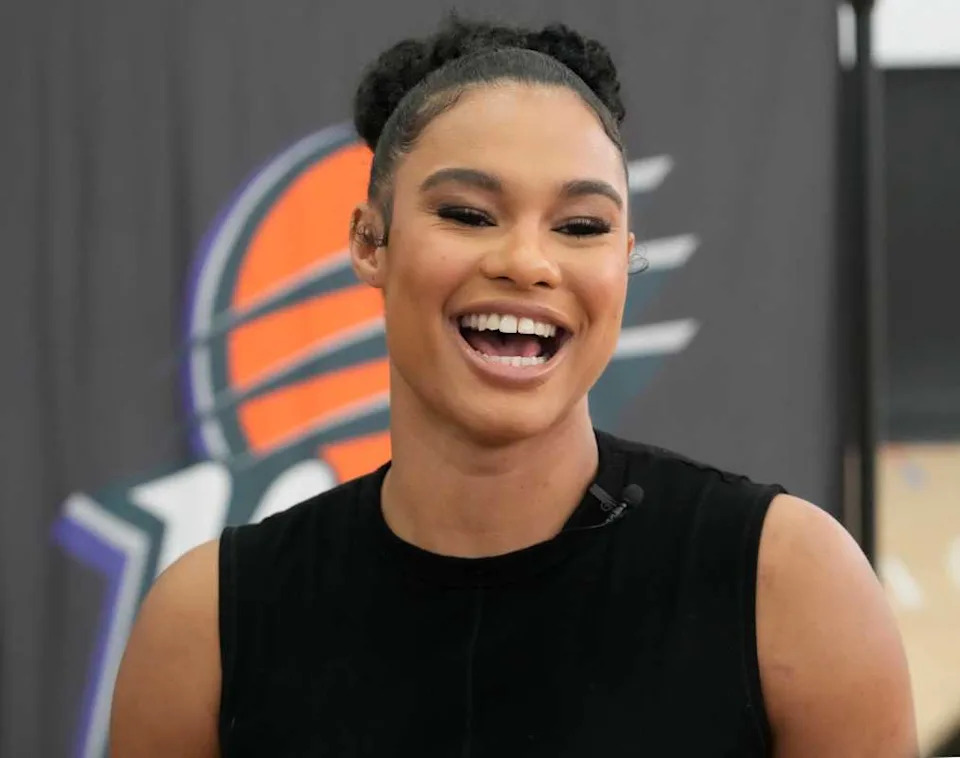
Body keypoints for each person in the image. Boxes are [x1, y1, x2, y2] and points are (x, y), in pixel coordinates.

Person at [109, 17, 917, 758]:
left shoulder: (786, 584)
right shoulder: (210, 623)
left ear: (625, 259)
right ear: (369, 241)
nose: (528, 262)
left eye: (581, 227)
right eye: (469, 214)